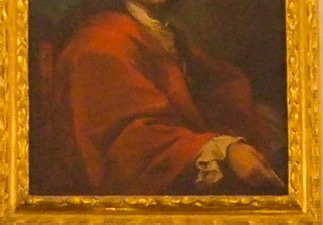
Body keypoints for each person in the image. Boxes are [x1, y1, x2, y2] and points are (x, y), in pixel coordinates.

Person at [36, 0, 287, 196]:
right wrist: (224, 151)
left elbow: (215, 88)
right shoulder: (101, 42)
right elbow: (129, 146)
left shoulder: (154, 29)